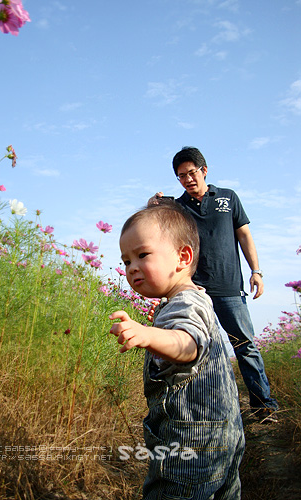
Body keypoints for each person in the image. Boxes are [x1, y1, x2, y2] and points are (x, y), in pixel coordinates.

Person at [109, 204, 245, 500]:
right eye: (126, 260)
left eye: (142, 255)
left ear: (183, 257)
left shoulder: (185, 303)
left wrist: (147, 334)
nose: (131, 267)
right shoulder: (197, 298)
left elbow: (188, 345)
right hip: (223, 437)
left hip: (191, 447)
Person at [150, 146, 278, 422]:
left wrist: (256, 271)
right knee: (198, 351)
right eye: (181, 176)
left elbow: (244, 235)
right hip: (194, 292)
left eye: (191, 173)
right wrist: (153, 205)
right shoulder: (177, 206)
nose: (187, 180)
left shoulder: (228, 198)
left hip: (230, 288)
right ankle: (204, 413)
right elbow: (158, 232)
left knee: (245, 347)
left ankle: (263, 407)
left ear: (204, 170)